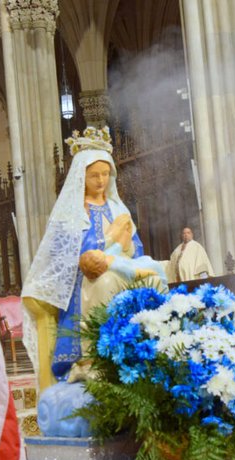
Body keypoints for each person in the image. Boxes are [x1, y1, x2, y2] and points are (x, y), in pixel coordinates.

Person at [21, 126, 143, 391]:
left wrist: (127, 251)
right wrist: (85, 260)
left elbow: (137, 248)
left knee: (155, 277)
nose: (101, 181)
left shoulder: (118, 209)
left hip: (121, 270)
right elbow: (59, 256)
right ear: (81, 177)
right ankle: (92, 359)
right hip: (84, 280)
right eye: (94, 175)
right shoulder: (71, 213)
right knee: (104, 284)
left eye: (105, 174)